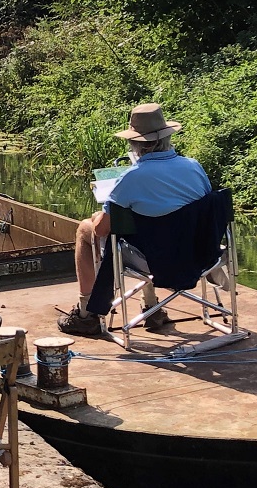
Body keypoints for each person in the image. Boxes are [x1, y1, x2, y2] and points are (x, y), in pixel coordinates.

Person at [57, 103, 212, 337]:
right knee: (151, 228)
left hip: (156, 259)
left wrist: (99, 216)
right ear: (167, 137)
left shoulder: (132, 178)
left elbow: (101, 230)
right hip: (199, 253)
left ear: (135, 145)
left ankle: (86, 314)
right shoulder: (194, 167)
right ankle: (152, 308)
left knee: (86, 229)